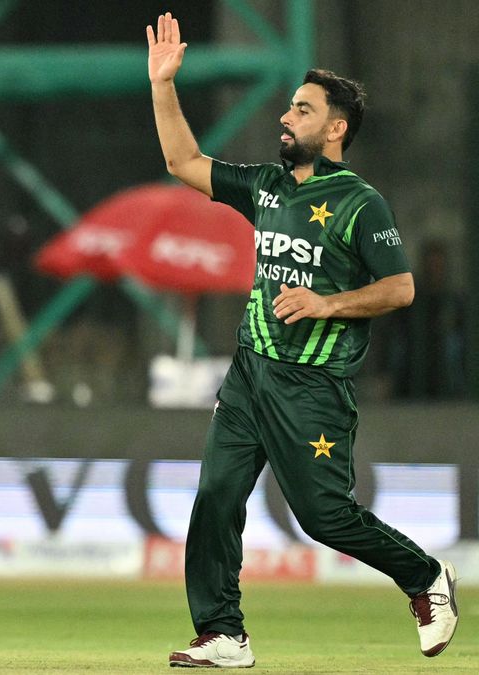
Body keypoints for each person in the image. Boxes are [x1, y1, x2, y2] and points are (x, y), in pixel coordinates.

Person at [148, 12, 457, 668]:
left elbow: (401, 288)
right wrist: (163, 85)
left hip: (312, 387)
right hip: (249, 373)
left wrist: (327, 303)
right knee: (215, 498)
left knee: (325, 517)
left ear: (336, 129)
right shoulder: (267, 186)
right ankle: (223, 633)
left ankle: (426, 576)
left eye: (303, 109)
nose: (286, 117)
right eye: (290, 106)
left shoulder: (360, 203)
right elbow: (182, 161)